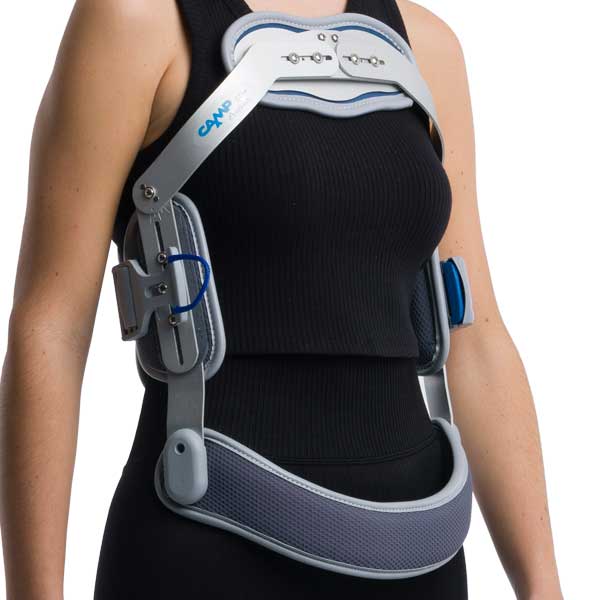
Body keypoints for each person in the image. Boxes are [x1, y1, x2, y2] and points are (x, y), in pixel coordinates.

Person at [0, 1, 563, 599]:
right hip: (205, 546)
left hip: (417, 556)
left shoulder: (426, 47)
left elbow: (476, 336)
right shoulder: (135, 20)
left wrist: (543, 584)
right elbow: (52, 326)